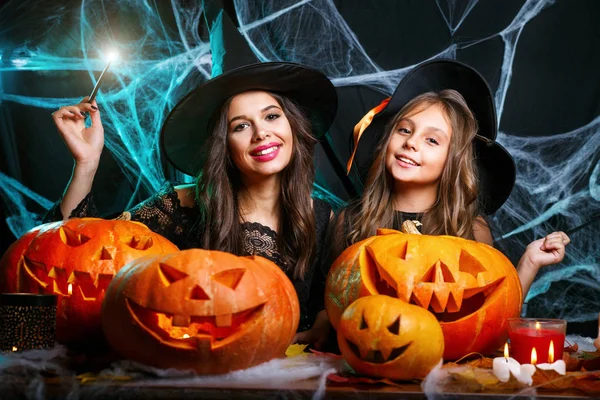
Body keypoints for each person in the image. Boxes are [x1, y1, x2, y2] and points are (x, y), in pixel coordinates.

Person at [45, 60, 338, 348]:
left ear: (293, 126)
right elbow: (80, 254)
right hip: (192, 370)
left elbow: (336, 298)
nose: (261, 133)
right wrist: (86, 163)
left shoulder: (326, 219)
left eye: (271, 116)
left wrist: (328, 318)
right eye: (241, 126)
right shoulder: (180, 205)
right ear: (224, 145)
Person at [332, 59, 570, 301]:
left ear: (453, 162)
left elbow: (491, 312)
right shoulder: (351, 222)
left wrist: (529, 262)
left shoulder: (471, 227)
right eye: (404, 130)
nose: (411, 142)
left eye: (432, 140)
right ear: (387, 140)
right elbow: (331, 307)